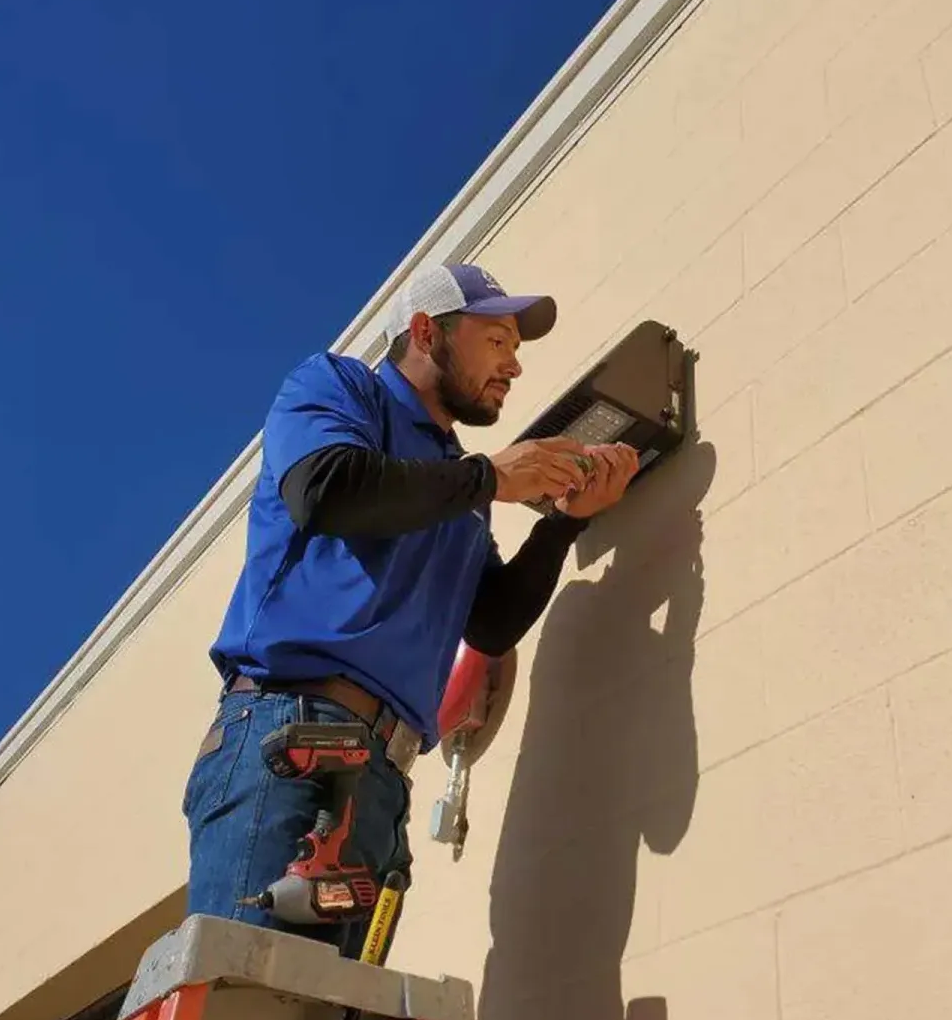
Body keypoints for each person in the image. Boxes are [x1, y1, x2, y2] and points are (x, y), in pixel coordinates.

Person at [181, 262, 639, 976]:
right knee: (247, 1003)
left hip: (382, 782)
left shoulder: (453, 481)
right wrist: (488, 478)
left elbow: (488, 624)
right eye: (497, 340)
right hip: (289, 740)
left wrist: (561, 526)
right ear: (427, 332)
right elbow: (325, 489)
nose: (514, 364)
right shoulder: (338, 387)